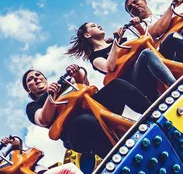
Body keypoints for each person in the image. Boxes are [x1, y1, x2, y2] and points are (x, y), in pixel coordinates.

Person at [22, 65, 151, 158]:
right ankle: (117, 156)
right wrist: (51, 97)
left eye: (38, 75)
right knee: (85, 122)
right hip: (75, 129)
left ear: (44, 78)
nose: (36, 79)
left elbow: (83, 84)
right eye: (30, 80)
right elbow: (43, 120)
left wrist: (76, 72)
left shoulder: (63, 85)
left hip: (95, 107)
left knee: (117, 85)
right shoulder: (33, 106)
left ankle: (152, 113)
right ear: (29, 90)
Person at [67, 21, 176, 102]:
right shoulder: (95, 57)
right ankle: (174, 86)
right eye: (93, 26)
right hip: (134, 84)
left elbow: (145, 44)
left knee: (166, 41)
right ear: (87, 35)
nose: (98, 26)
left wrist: (137, 26)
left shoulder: (122, 42)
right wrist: (116, 41)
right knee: (146, 54)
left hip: (149, 72)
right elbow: (109, 67)